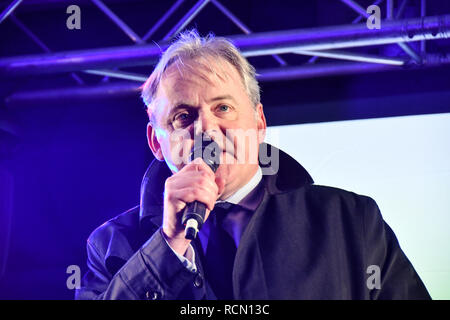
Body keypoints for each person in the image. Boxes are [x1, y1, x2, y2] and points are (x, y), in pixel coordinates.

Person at [75, 30, 430, 300]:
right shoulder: (110, 245)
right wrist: (166, 246)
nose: (206, 131)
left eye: (223, 108)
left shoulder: (350, 219)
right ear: (156, 142)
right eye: (183, 116)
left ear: (259, 122)